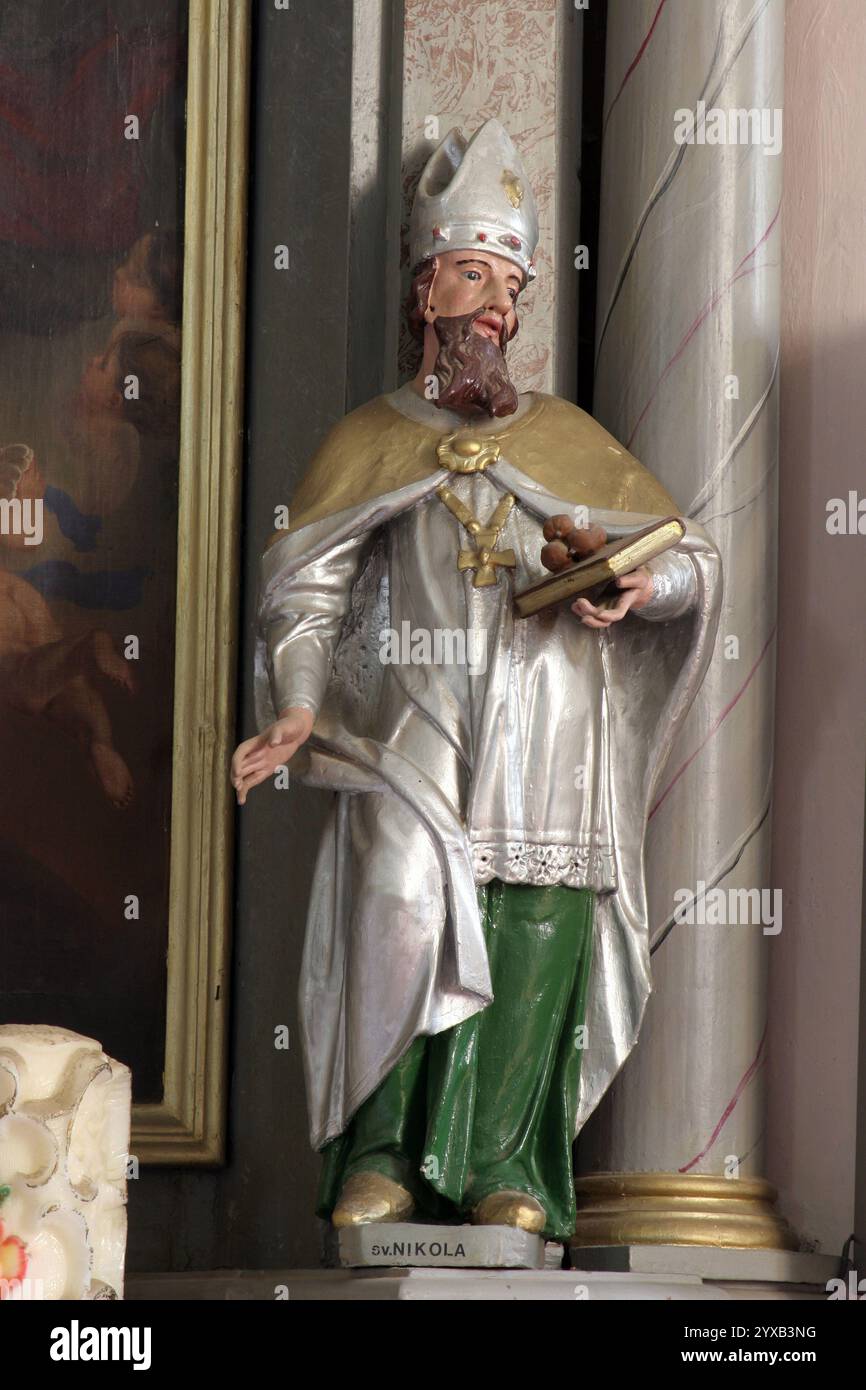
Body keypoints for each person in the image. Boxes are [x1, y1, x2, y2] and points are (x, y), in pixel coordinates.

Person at [232, 121, 722, 1239]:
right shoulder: (364, 439)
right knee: (398, 905)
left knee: (531, 924)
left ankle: (508, 1168)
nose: (495, 304)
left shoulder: (565, 436)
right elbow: (301, 596)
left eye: (510, 283)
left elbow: (686, 558)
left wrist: (631, 589)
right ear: (423, 293)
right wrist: (299, 707)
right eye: (472, 275)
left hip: (549, 732)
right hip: (410, 725)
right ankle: (382, 1154)